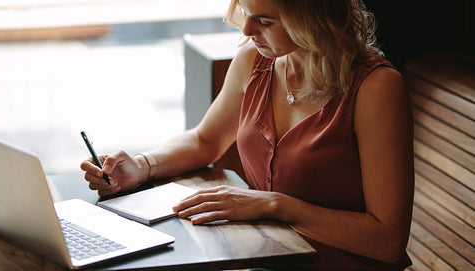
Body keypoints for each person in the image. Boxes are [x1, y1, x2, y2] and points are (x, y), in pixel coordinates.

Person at [80, 0, 415, 270]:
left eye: (265, 22)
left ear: (314, 17)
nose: (247, 29)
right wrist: (142, 165)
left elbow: (387, 242)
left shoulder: (376, 88)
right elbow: (205, 141)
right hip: (264, 257)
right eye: (246, 12)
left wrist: (274, 206)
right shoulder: (254, 60)